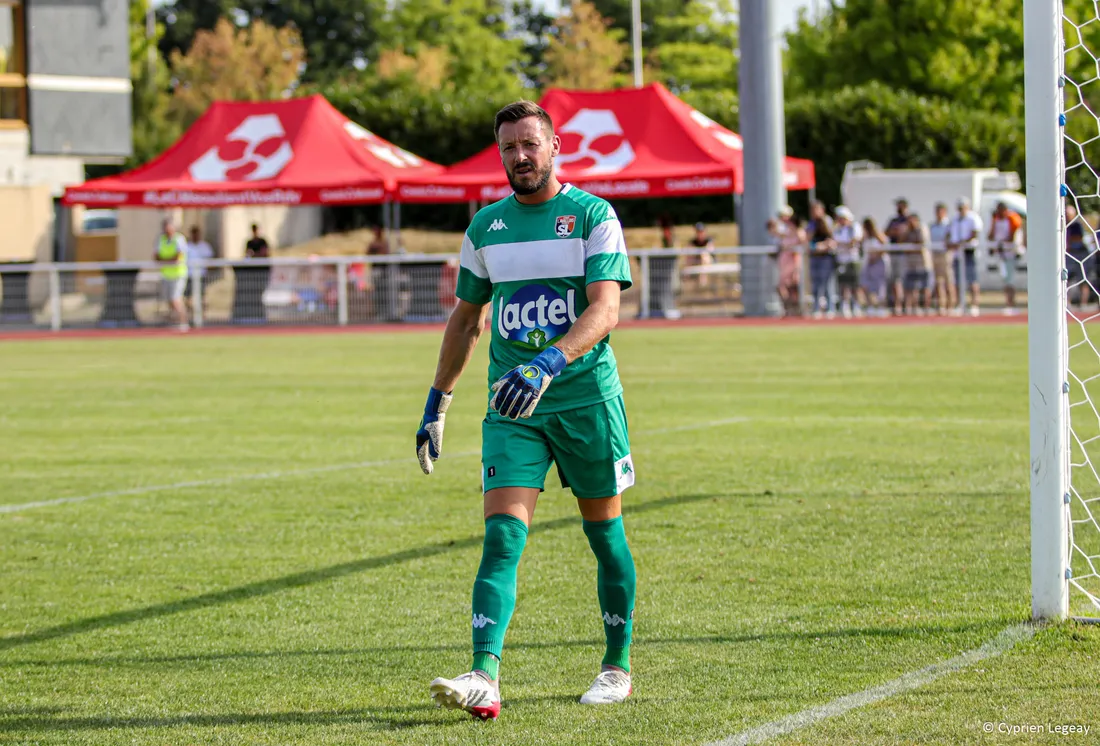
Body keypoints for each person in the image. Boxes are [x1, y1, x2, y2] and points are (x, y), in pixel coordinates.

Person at [417, 100, 637, 720]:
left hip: (586, 399)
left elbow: (605, 308)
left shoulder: (593, 215)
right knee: (502, 535)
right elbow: (466, 320)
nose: (520, 156)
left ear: (554, 146)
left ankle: (616, 665)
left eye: (529, 144)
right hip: (514, 406)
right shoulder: (485, 228)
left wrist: (552, 361)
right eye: (509, 146)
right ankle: (484, 673)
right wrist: (439, 401)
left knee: (604, 533)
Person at [947, 197, 984, 316]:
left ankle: (974, 305)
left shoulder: (973, 217)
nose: (961, 209)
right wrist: (951, 243)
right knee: (958, 280)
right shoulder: (955, 219)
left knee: (972, 279)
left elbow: (975, 233)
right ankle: (959, 304)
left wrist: (962, 243)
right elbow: (949, 234)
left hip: (969, 251)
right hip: (958, 253)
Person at [153, 218, 189, 331]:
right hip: (166, 274)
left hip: (178, 274)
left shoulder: (179, 239)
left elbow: (177, 257)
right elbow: (156, 256)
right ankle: (175, 322)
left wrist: (165, 260)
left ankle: (184, 322)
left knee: (175, 299)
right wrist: (167, 260)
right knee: (169, 300)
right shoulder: (161, 239)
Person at [988, 201, 1024, 314]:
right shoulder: (996, 220)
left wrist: (1002, 244)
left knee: (1010, 279)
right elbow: (990, 236)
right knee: (1004, 279)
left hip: (1010, 253)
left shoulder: (1012, 219)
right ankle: (1008, 302)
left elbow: (1012, 238)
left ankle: (1011, 303)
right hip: (1001, 254)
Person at [832, 206, 863, 318]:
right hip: (841, 260)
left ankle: (856, 305)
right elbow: (835, 242)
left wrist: (841, 244)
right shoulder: (837, 229)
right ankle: (845, 306)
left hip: (852, 260)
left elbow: (853, 242)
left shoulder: (854, 227)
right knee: (842, 285)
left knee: (854, 284)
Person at [807, 200, 836, 319]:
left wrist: (823, 246)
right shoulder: (811, 224)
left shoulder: (827, 221)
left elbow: (832, 238)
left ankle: (830, 308)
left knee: (827, 283)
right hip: (815, 257)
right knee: (815, 283)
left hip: (825, 257)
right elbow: (808, 239)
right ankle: (816, 308)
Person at [773, 215, 804, 317]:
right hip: (784, 263)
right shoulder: (786, 234)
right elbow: (775, 231)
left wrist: (796, 269)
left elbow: (800, 248)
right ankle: (788, 308)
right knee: (782, 287)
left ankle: (794, 309)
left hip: (792, 263)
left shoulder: (798, 234)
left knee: (792, 287)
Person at [885, 197, 912, 316]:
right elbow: (887, 232)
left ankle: (908, 305)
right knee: (895, 280)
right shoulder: (893, 220)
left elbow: (907, 234)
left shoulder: (909, 220)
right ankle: (898, 305)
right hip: (894, 254)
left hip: (906, 255)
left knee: (907, 281)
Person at [927, 202, 955, 315]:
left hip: (945, 254)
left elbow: (951, 239)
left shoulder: (949, 225)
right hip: (935, 254)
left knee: (948, 280)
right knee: (938, 282)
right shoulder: (932, 226)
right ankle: (941, 305)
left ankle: (951, 305)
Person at [902, 213, 932, 316]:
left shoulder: (922, 228)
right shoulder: (907, 231)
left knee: (925, 287)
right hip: (911, 264)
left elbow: (920, 243)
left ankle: (927, 308)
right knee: (911, 288)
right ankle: (913, 308)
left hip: (923, 264)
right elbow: (902, 243)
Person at [859, 218, 890, 317]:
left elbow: (885, 246)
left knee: (879, 286)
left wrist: (876, 256)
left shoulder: (878, 235)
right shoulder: (865, 236)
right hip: (869, 263)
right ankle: (871, 306)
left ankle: (881, 307)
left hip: (879, 263)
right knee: (868, 285)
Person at [1066, 203, 1094, 310]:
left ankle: (1083, 304)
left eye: (1069, 213)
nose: (1067, 215)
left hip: (1080, 254)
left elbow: (1078, 238)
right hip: (1069, 254)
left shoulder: (1076, 225)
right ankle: (1067, 303)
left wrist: (1068, 243)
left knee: (1083, 279)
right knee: (1066, 279)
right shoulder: (1062, 225)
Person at [184, 225, 215, 312]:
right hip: (189, 276)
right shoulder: (187, 246)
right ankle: (189, 316)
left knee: (202, 297)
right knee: (188, 298)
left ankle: (202, 316)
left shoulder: (205, 246)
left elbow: (210, 261)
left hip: (201, 276)